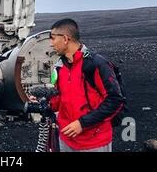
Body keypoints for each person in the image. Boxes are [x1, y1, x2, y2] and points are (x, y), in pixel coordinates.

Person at [46, 18, 124, 152]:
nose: (51, 44)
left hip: (94, 142)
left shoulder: (96, 64)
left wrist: (82, 123)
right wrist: (45, 103)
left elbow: (115, 100)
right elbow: (59, 99)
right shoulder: (60, 67)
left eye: (52, 38)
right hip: (66, 140)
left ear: (65, 38)